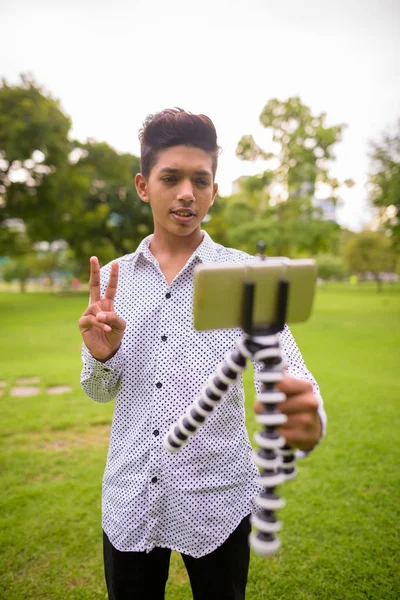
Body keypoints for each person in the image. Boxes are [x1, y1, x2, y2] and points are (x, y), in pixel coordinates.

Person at [79, 108, 326, 600]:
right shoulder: (114, 279)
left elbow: (288, 367)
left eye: (200, 179)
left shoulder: (245, 276)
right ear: (144, 185)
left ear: (214, 189)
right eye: (170, 178)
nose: (186, 193)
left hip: (219, 499)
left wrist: (307, 409)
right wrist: (103, 357)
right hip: (130, 495)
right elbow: (99, 392)